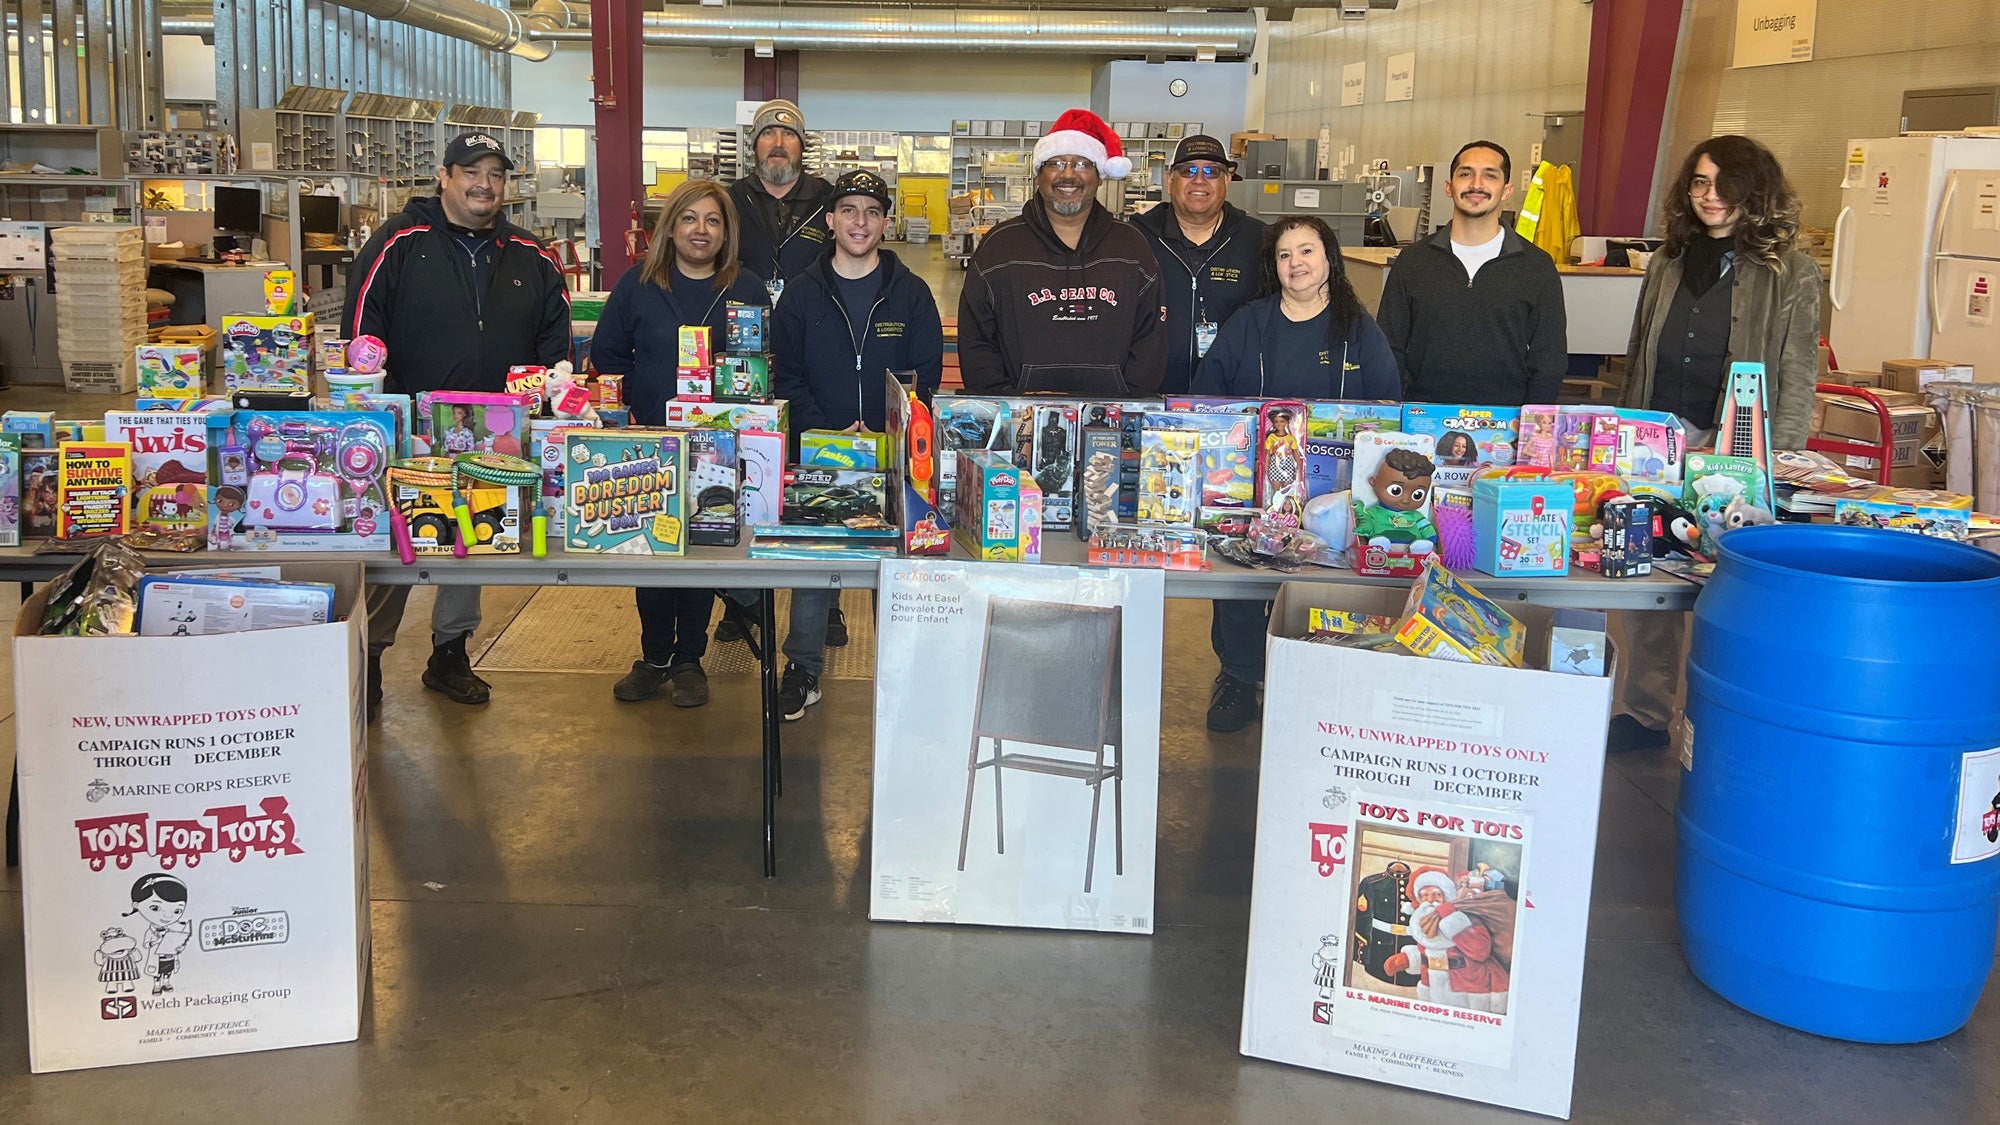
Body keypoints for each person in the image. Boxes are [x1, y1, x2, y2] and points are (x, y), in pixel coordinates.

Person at [345, 131, 573, 715]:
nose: (484, 184)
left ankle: (450, 652)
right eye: (471, 171)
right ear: (444, 176)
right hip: (409, 430)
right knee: (399, 545)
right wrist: (379, 414)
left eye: (496, 174)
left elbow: (557, 351)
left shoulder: (532, 255)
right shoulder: (397, 242)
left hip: (497, 434)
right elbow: (361, 339)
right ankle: (367, 661)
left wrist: (544, 404)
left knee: (476, 540)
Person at [1610, 135, 1820, 753]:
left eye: (1725, 185)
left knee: (1729, 580)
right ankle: (1646, 711)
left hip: (1739, 447)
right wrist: (1624, 429)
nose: (1710, 197)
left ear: (1754, 193)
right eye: (1699, 183)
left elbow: (1799, 367)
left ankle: (1726, 719)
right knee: (1647, 572)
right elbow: (1638, 351)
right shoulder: (1668, 261)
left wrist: (1780, 457)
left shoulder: (1791, 269)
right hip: (1657, 438)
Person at [1191, 214, 1401, 733]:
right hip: (1253, 484)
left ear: (1329, 257)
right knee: (1240, 580)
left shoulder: (1358, 328)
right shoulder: (1249, 323)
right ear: (1274, 266)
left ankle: (1316, 676)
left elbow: (1389, 406)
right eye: (1285, 255)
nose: (1296, 264)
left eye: (1307, 251)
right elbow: (1207, 397)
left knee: (1325, 579)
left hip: (1334, 492)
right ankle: (1240, 676)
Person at [769, 169, 944, 720]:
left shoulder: (912, 294)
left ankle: (905, 666)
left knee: (894, 561)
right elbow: (786, 375)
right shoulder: (801, 294)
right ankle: (803, 667)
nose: (860, 222)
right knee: (818, 558)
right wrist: (825, 432)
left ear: (886, 223)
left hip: (894, 457)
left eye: (871, 211)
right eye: (849, 210)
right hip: (821, 453)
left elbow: (925, 376)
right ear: (831, 221)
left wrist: (888, 431)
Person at [591, 180, 769, 707]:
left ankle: (690, 659)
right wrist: (634, 416)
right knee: (651, 552)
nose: (700, 230)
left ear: (726, 232)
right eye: (689, 218)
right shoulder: (638, 285)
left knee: (700, 553)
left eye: (713, 220)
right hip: (648, 444)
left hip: (717, 448)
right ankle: (654, 657)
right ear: (670, 226)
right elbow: (608, 356)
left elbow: (763, 368)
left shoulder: (747, 289)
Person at [958, 108, 1167, 396]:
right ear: (1039, 175)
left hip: (1113, 422)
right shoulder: (1000, 247)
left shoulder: (1132, 246)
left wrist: (1125, 406)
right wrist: (1006, 406)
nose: (1068, 175)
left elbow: (1151, 338)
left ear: (1100, 176)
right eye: (1056, 163)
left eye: (1082, 163)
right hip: (1023, 422)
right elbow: (976, 339)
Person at [1376, 140, 1567, 407]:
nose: (1476, 184)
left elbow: (1549, 355)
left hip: (1506, 421)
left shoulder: (1536, 266)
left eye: (1490, 175)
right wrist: (1396, 408)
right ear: (1449, 187)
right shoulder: (1413, 262)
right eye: (1466, 174)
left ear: (1506, 190)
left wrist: (1533, 422)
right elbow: (1388, 345)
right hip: (1423, 417)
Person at [1131, 134, 1266, 395]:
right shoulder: (1136, 239)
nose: (1199, 180)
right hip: (1151, 396)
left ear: (1227, 180)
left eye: (1212, 172)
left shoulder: (1259, 240)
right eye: (1188, 170)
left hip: (1232, 400)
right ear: (1170, 180)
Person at [729, 99, 833, 302]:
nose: (778, 143)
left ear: (802, 146)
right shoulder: (729, 201)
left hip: (811, 320)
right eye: (768, 133)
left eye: (789, 134)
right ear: (754, 146)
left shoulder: (828, 201)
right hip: (744, 321)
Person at [1380, 866, 1511, 1014]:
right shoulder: (1423, 922)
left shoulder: (1464, 918)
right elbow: (1427, 952)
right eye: (1423, 896)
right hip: (1434, 986)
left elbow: (1480, 952)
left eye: (1436, 895)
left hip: (1469, 986)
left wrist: (1451, 921)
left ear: (1446, 897)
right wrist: (1408, 959)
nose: (1429, 900)